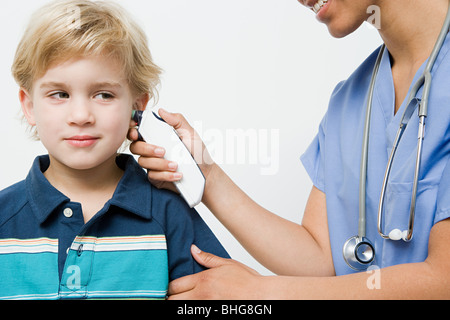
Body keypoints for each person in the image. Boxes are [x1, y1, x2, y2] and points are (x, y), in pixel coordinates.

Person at [128, 0, 450, 299]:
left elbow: (443, 278)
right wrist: (207, 177)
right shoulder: (351, 101)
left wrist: (262, 293)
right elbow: (322, 259)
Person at [0, 0, 228, 300]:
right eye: (60, 94)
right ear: (30, 106)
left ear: (137, 106)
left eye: (104, 94)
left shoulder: (169, 214)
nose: (81, 115)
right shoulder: (4, 217)